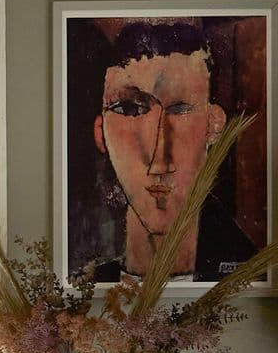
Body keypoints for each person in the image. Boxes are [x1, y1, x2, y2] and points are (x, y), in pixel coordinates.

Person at [89, 21, 256, 282]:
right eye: (131, 109)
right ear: (101, 133)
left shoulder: (251, 275)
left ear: (213, 125)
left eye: (180, 109)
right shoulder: (83, 286)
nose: (159, 161)